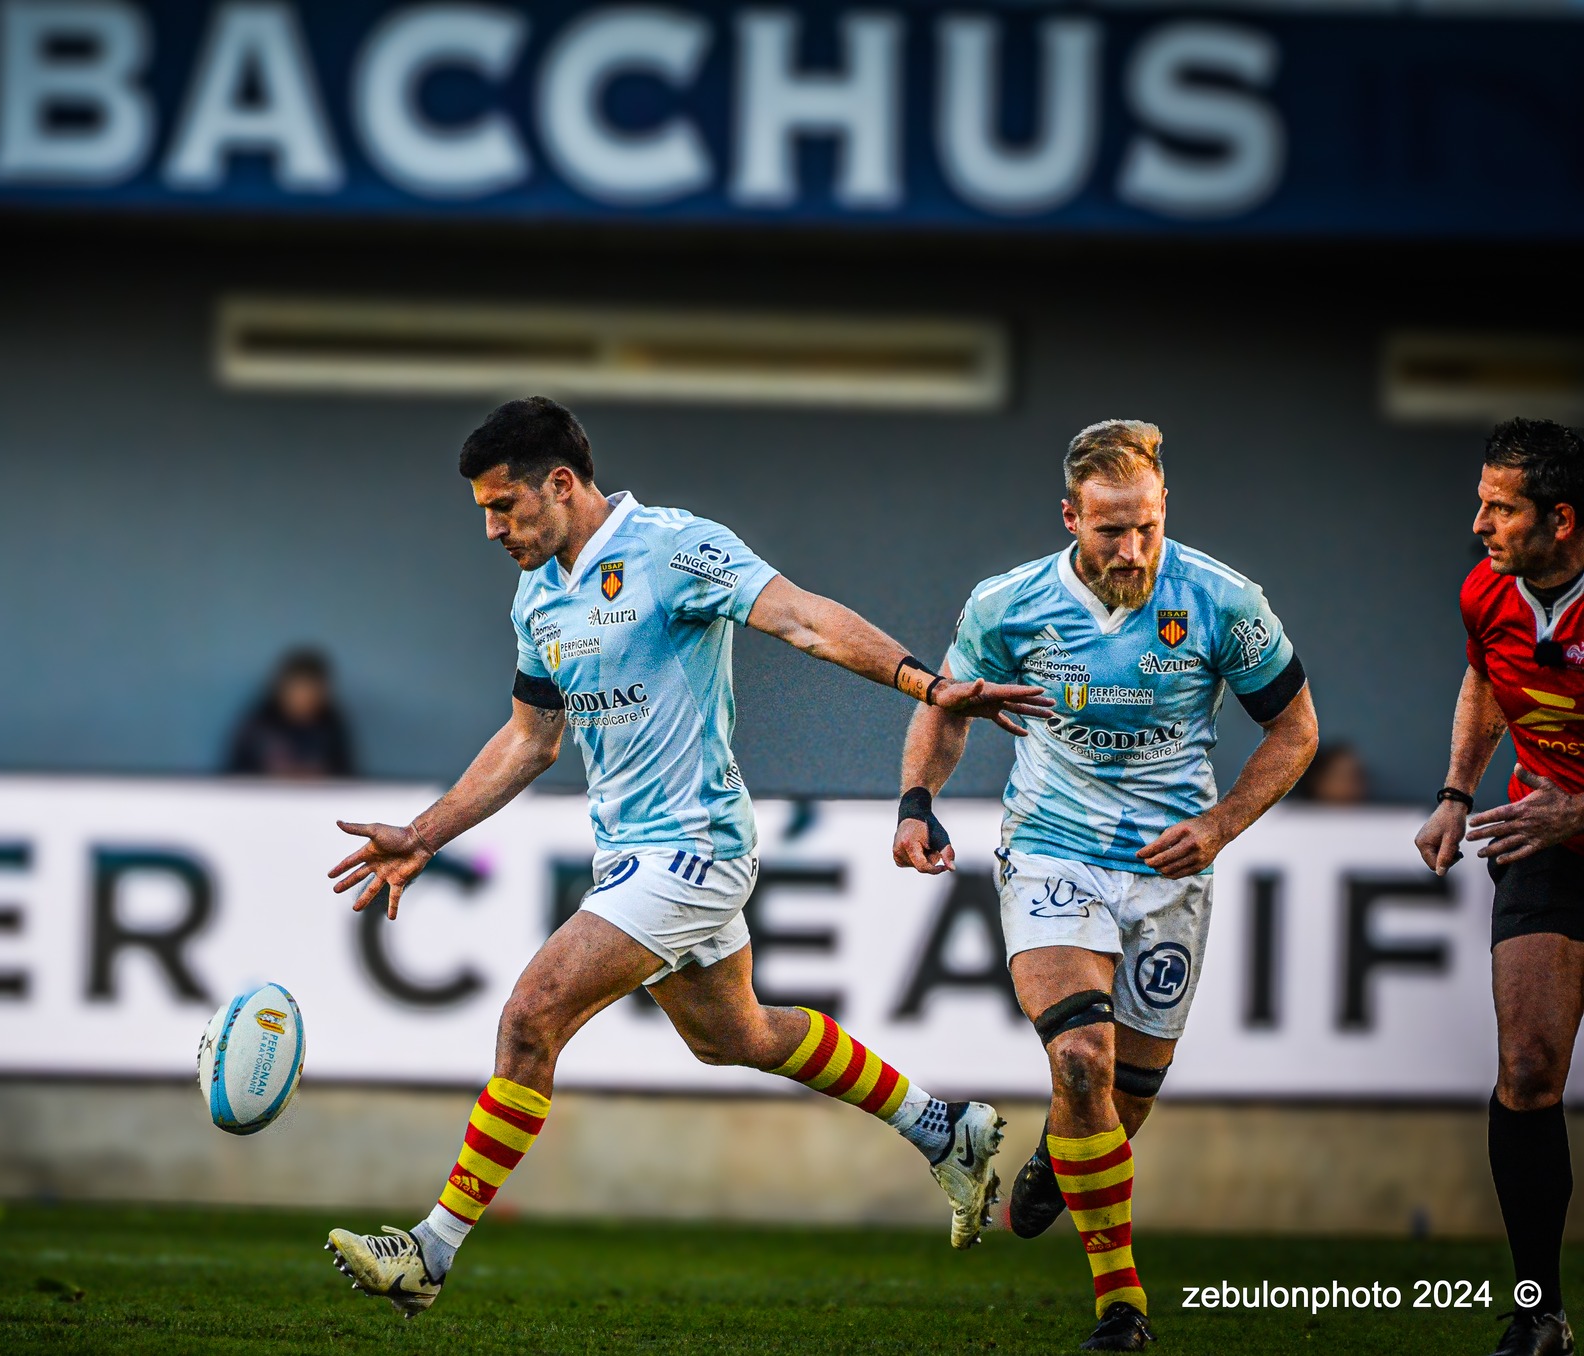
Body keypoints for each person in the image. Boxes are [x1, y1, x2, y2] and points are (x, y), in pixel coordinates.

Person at [319, 396, 1054, 1318]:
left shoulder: (673, 548)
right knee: (734, 1037)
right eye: (485, 513)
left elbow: (802, 619)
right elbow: (531, 739)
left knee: (531, 1017)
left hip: (693, 849)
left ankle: (431, 1250)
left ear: (561, 483)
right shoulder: (538, 595)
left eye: (504, 507)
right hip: (628, 857)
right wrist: (425, 833)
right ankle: (944, 1130)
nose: (494, 530)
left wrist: (928, 685)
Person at [894, 420, 1316, 1352]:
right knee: (1080, 1057)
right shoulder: (1008, 603)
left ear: (1166, 509)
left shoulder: (1223, 600)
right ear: (1070, 518)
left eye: (1147, 528)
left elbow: (1295, 732)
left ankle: (1061, 1153)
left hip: (1170, 870)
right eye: (1109, 530)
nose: (1131, 551)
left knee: (1121, 1105)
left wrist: (1219, 826)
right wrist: (917, 803)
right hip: (1053, 848)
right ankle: (1122, 1303)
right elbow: (947, 707)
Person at [1415, 418, 1584, 1356]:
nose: (1479, 524)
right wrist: (1455, 793)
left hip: (1565, 819)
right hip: (1542, 839)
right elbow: (1484, 680)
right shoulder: (1487, 590)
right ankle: (1538, 1311)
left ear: (1562, 519)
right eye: (1481, 502)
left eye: (1501, 508)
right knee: (1526, 1070)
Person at [223, 648, 355, 778]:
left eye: (311, 690)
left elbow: (345, 775)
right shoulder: (258, 725)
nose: (304, 698)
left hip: (318, 793)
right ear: (282, 688)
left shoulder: (332, 727)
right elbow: (234, 775)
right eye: (298, 689)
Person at [1290, 740, 1369, 804]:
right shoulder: (1291, 814)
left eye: (1356, 778)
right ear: (1317, 781)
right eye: (1341, 778)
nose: (1349, 787)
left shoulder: (1372, 815)